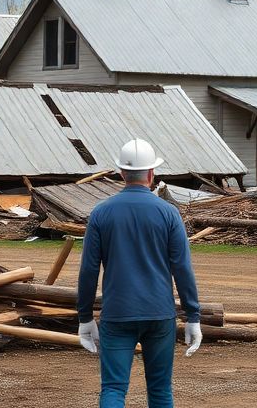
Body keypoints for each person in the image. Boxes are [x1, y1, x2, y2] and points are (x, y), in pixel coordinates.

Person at [77, 139, 202, 408]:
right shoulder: (169, 213)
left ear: (122, 173)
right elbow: (182, 267)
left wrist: (85, 317)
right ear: (152, 173)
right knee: (160, 390)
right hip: (159, 313)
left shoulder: (101, 213)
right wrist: (193, 315)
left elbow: (88, 269)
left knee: (112, 388)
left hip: (118, 313)